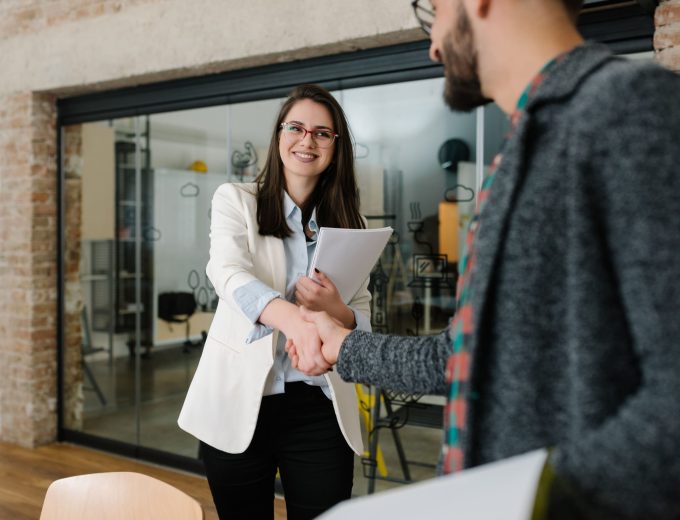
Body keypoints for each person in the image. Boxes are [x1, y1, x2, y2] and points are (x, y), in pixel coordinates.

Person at [287, 1, 680, 518]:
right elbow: (464, 356)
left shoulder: (637, 111)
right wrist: (343, 345)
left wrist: (509, 501)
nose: (432, 45)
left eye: (434, 14)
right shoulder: (521, 154)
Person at [178, 84, 372, 520]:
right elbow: (226, 273)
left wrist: (336, 309)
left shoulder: (351, 223)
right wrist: (295, 321)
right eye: (297, 128)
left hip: (319, 406)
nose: (308, 140)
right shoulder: (236, 200)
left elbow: (362, 316)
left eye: (323, 133)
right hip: (240, 399)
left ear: (336, 148)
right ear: (279, 136)